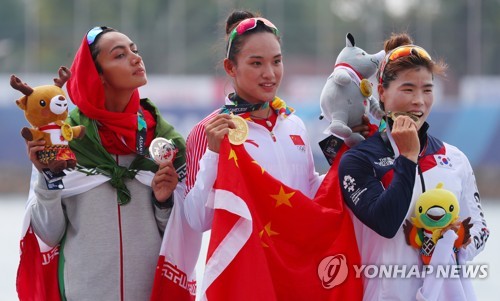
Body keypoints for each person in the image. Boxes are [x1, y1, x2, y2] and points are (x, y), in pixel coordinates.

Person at [23, 26, 186, 300]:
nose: (136, 58)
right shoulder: (62, 140)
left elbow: (182, 236)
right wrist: (47, 179)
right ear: (97, 75)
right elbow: (48, 235)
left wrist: (163, 202)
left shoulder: (162, 139)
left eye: (134, 50)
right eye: (120, 55)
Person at [338, 32, 490, 300]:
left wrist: (457, 241)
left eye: (427, 89)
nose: (419, 101)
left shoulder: (454, 158)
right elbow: (385, 223)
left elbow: (481, 229)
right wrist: (407, 157)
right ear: (382, 93)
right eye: (408, 89)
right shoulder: (359, 159)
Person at [183, 10, 336, 231]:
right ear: (230, 67)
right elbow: (197, 220)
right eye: (257, 64)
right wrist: (214, 154)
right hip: (248, 262)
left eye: (277, 61)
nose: (270, 74)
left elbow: (308, 189)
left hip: (294, 261)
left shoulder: (293, 123)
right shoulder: (210, 130)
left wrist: (347, 159)